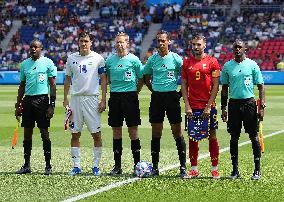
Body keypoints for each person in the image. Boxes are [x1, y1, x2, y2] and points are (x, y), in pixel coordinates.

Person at [144, 30, 187, 178]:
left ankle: (183, 167)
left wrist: (179, 94)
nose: (161, 43)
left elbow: (186, 77)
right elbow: (145, 76)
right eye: (158, 41)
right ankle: (155, 167)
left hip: (171, 97)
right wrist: (153, 89)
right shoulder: (152, 60)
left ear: (169, 42)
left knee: (177, 132)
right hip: (157, 98)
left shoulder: (176, 58)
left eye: (163, 40)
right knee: (156, 133)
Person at [63, 31, 107, 176]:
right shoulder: (71, 58)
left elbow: (103, 79)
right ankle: (76, 166)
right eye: (81, 41)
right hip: (75, 100)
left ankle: (96, 166)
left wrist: (103, 99)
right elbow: (68, 79)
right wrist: (65, 98)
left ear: (91, 43)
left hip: (91, 99)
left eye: (86, 41)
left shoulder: (98, 58)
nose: (84, 44)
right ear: (78, 42)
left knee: (96, 134)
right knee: (75, 134)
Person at [221, 39, 265, 180]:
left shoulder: (252, 65)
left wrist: (262, 106)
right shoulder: (227, 66)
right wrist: (223, 107)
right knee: (234, 137)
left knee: (253, 136)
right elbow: (224, 89)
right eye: (235, 47)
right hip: (233, 104)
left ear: (245, 49)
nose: (237, 49)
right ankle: (235, 171)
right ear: (232, 50)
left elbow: (261, 86)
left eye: (240, 47)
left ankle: (257, 170)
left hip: (249, 104)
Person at [181, 33, 220, 179]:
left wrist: (209, 106)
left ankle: (214, 168)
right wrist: (187, 105)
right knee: (193, 136)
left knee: (212, 136)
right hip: (193, 106)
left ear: (204, 45)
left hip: (208, 106)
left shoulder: (213, 62)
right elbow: (184, 85)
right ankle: (194, 169)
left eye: (199, 44)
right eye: (194, 44)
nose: (196, 47)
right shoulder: (186, 63)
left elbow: (216, 85)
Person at [15, 39, 57, 175]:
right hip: (28, 101)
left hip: (42, 100)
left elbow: (53, 85)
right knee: (27, 134)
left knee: (44, 133)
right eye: (31, 47)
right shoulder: (24, 64)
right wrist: (18, 104)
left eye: (36, 47)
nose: (33, 49)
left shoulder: (48, 63)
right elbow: (22, 85)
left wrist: (52, 105)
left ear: (41, 48)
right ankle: (26, 165)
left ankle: (48, 166)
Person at [105, 32, 143, 175]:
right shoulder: (109, 61)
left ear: (128, 44)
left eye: (122, 42)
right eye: (117, 42)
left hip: (130, 97)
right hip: (115, 97)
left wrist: (134, 92)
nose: (119, 44)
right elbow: (106, 78)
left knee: (133, 131)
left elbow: (141, 78)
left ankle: (137, 166)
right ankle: (117, 166)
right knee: (116, 131)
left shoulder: (134, 60)